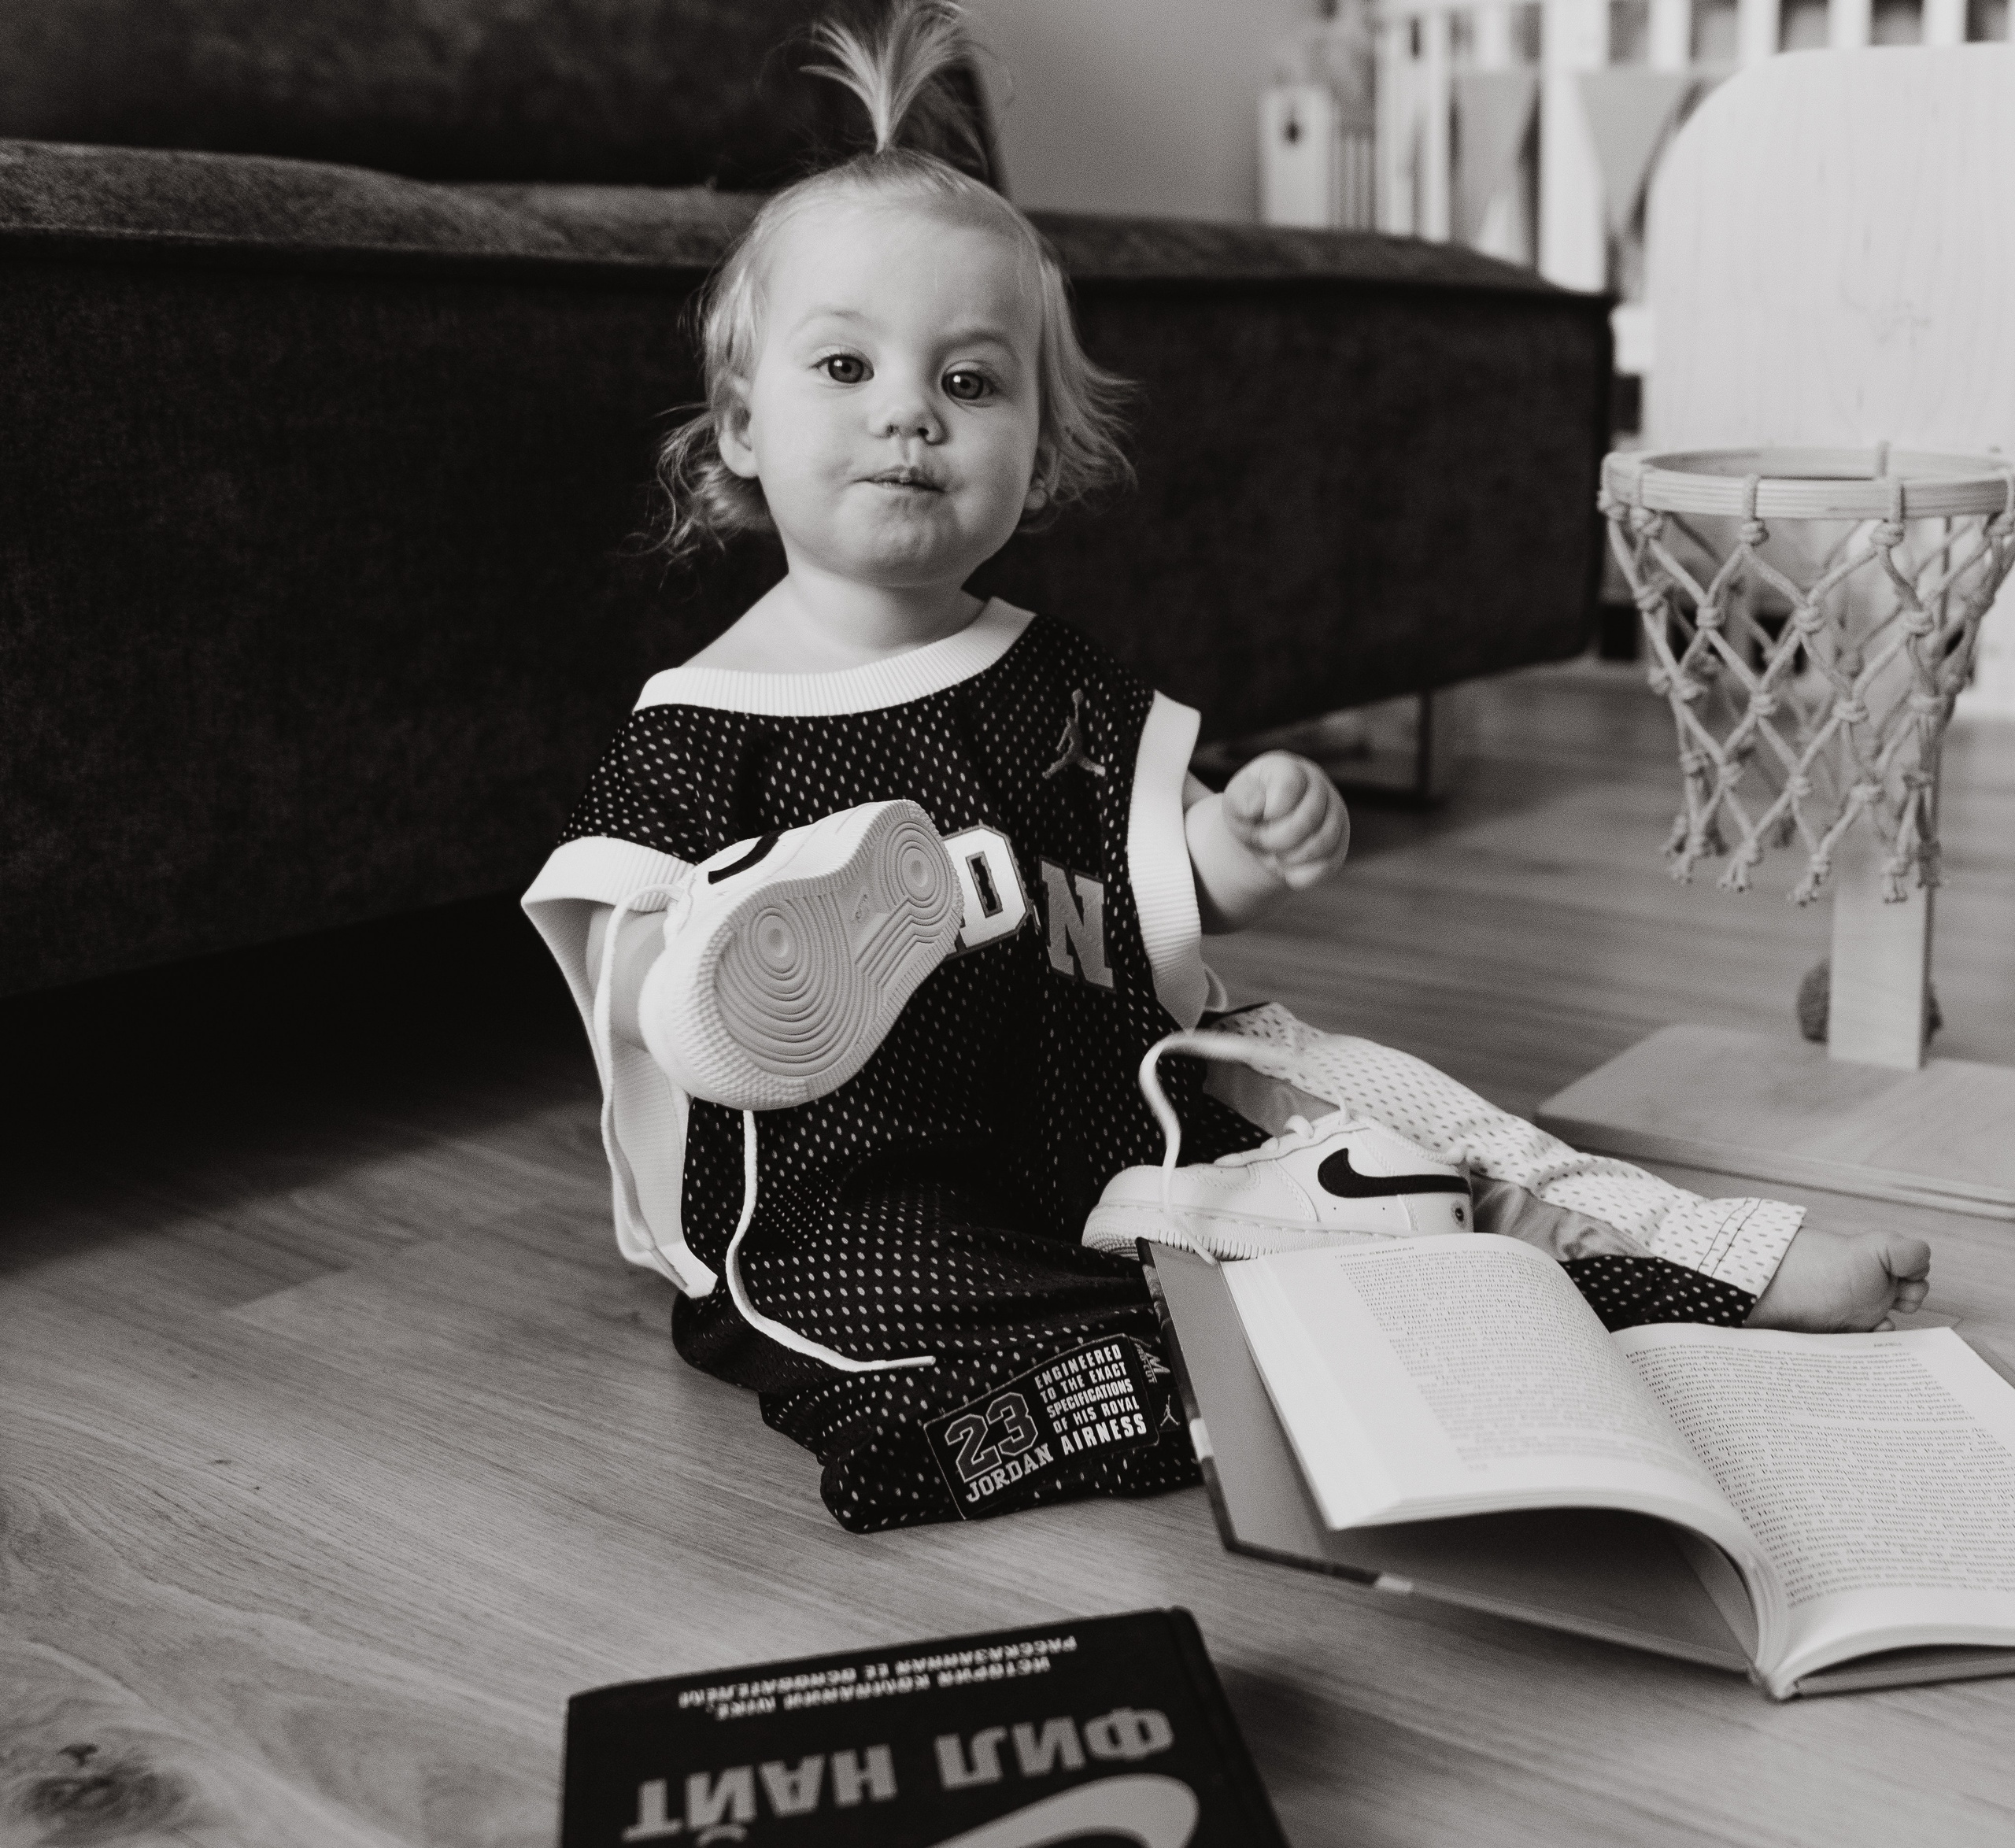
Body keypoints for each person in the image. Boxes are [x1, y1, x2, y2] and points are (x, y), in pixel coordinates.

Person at [523, 2, 1930, 1532]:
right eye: (845, 365)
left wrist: (1240, 850)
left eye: (972, 382)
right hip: (869, 1167)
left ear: (1043, 449)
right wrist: (705, 990)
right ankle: (1210, 1328)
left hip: (1105, 1101)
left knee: (1392, 1110)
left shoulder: (1053, 677)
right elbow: (622, 988)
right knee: (875, 1276)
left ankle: (1665, 1254)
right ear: (740, 423)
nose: (908, 413)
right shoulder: (704, 722)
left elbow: (1154, 894)